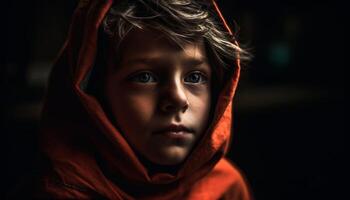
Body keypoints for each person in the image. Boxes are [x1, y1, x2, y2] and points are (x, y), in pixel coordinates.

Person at [30, 0, 252, 199]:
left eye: (195, 77)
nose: (177, 98)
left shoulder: (227, 188)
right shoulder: (60, 192)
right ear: (93, 93)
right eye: (145, 77)